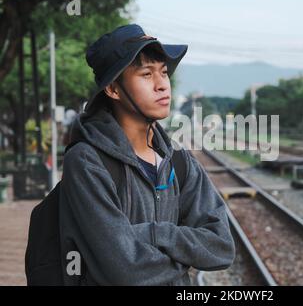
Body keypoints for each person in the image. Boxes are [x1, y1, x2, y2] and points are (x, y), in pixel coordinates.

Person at [59, 24, 235, 285]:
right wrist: (190, 254)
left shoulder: (179, 162)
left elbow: (221, 247)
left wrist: (155, 234)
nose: (162, 85)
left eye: (164, 72)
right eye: (146, 74)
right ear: (113, 90)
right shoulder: (87, 162)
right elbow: (125, 270)